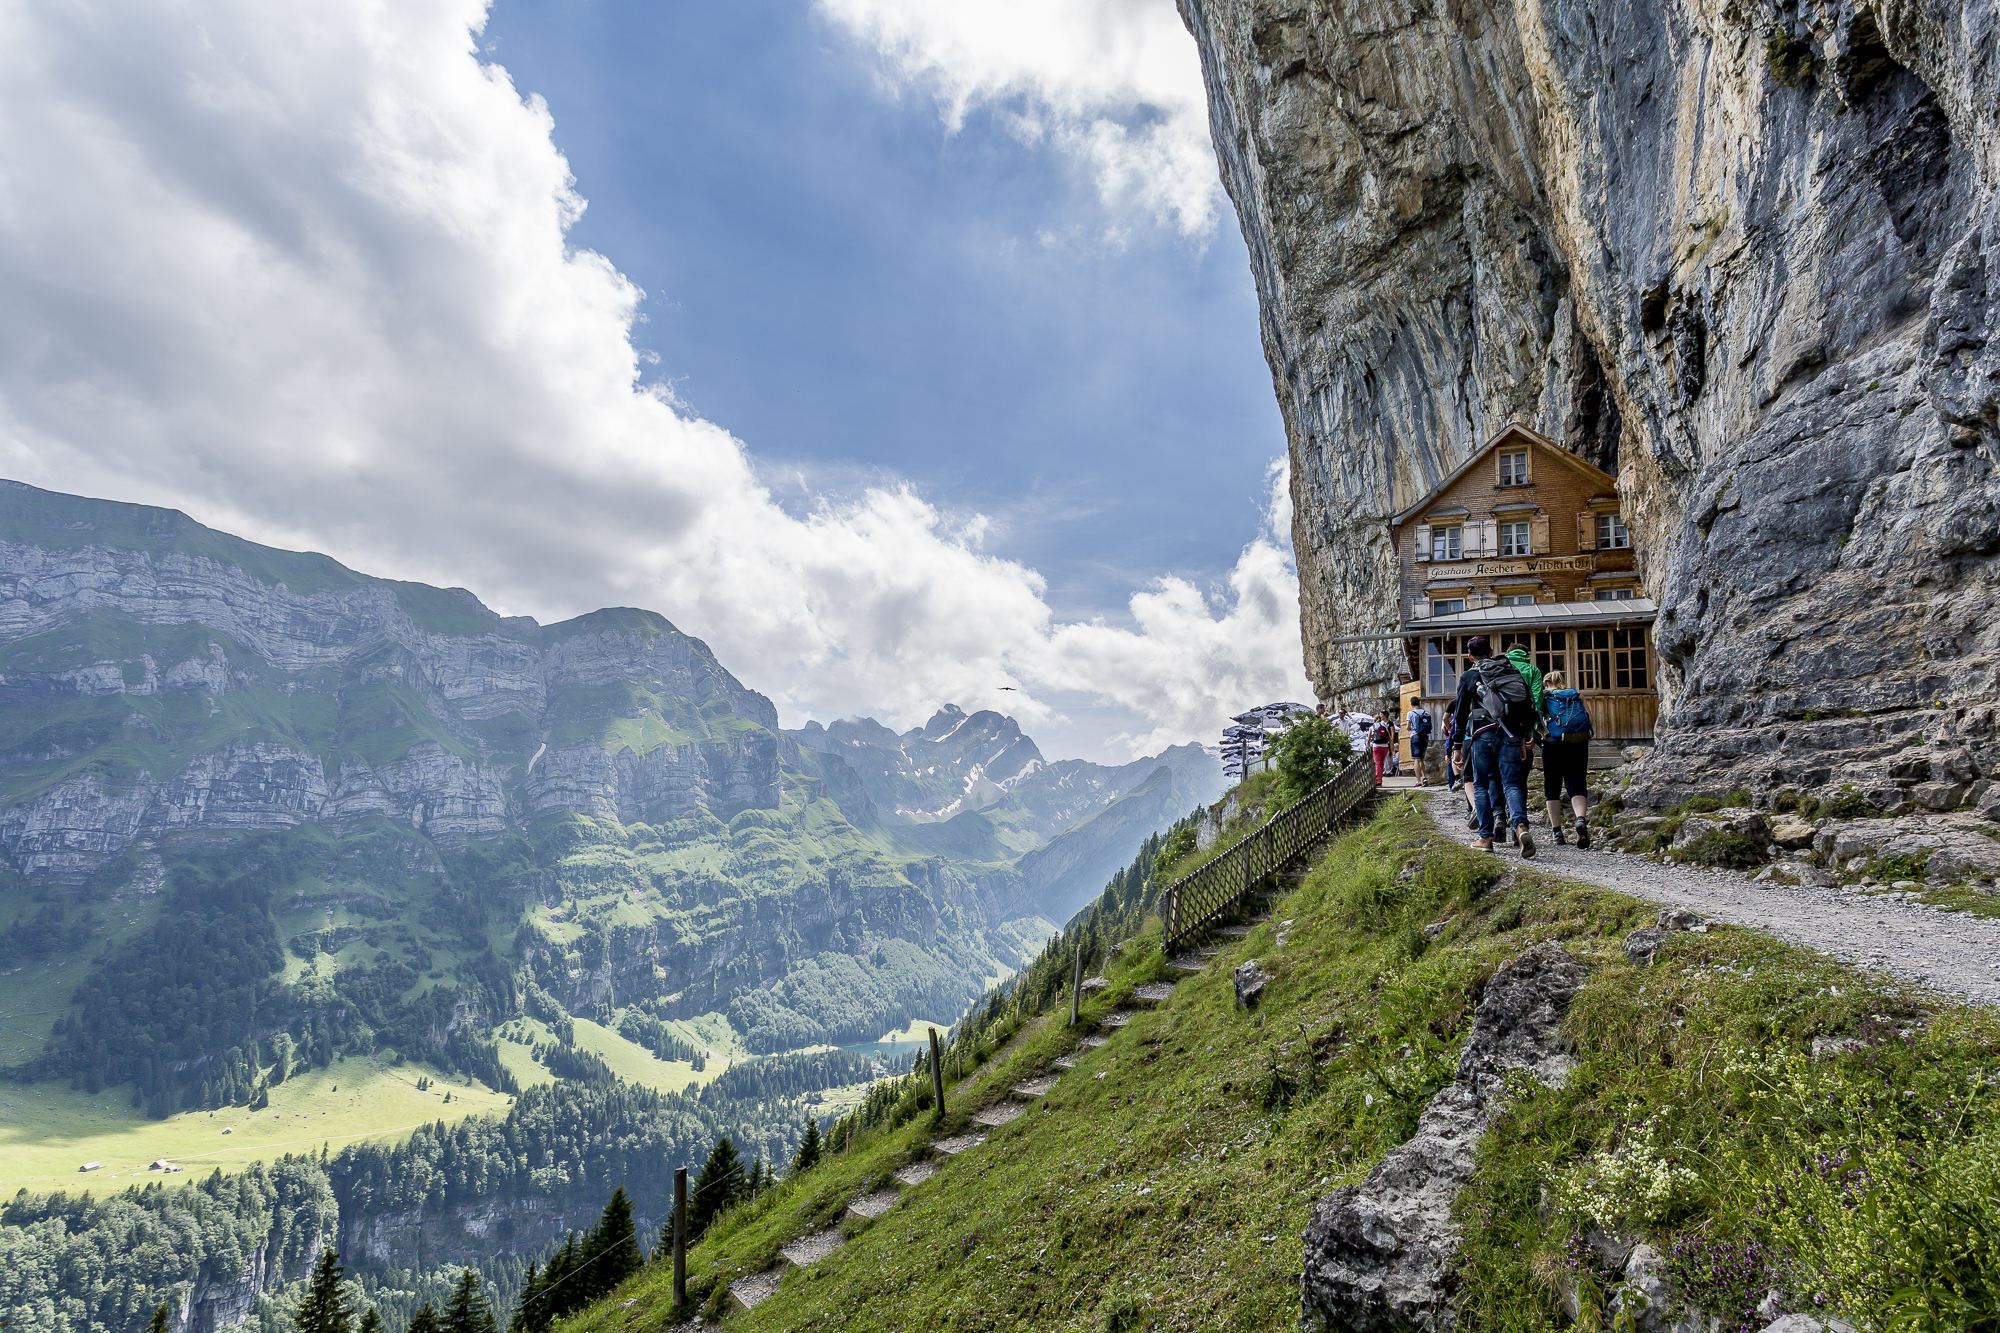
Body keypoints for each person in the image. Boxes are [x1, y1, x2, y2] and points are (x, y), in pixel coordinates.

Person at [1450, 635, 1535, 856]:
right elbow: (1526, 705)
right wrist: (1524, 739)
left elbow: (1459, 714)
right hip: (1511, 734)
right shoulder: (1510, 671)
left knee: (1480, 784)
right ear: (1491, 652)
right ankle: (1520, 826)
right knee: (1512, 783)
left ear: (1469, 657)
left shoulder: (1469, 676)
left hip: (1482, 735)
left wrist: (1456, 746)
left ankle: (1486, 838)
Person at [1540, 670, 1593, 847]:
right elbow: (1588, 717)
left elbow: (1538, 721)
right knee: (1577, 783)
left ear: (1546, 684)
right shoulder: (1577, 694)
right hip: (1578, 743)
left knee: (1552, 787)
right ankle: (1580, 819)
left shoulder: (1545, 696)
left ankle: (1557, 832)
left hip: (1553, 744)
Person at [1406, 702, 1433, 785]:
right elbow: (1430, 727)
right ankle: (1424, 777)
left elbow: (1408, 727)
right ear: (1419, 703)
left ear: (1411, 704)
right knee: (1421, 759)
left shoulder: (1410, 713)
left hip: (1415, 736)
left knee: (1416, 759)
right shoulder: (1426, 713)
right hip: (1425, 737)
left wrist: (1411, 728)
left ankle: (1418, 781)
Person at [1367, 712, 1395, 784]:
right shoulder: (1385, 726)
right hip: (1385, 746)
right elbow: (1390, 739)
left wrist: (1368, 746)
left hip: (1376, 746)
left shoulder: (1372, 727)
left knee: (1377, 763)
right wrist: (1391, 749)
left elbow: (1369, 738)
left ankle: (1378, 781)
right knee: (1381, 763)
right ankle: (1380, 778)